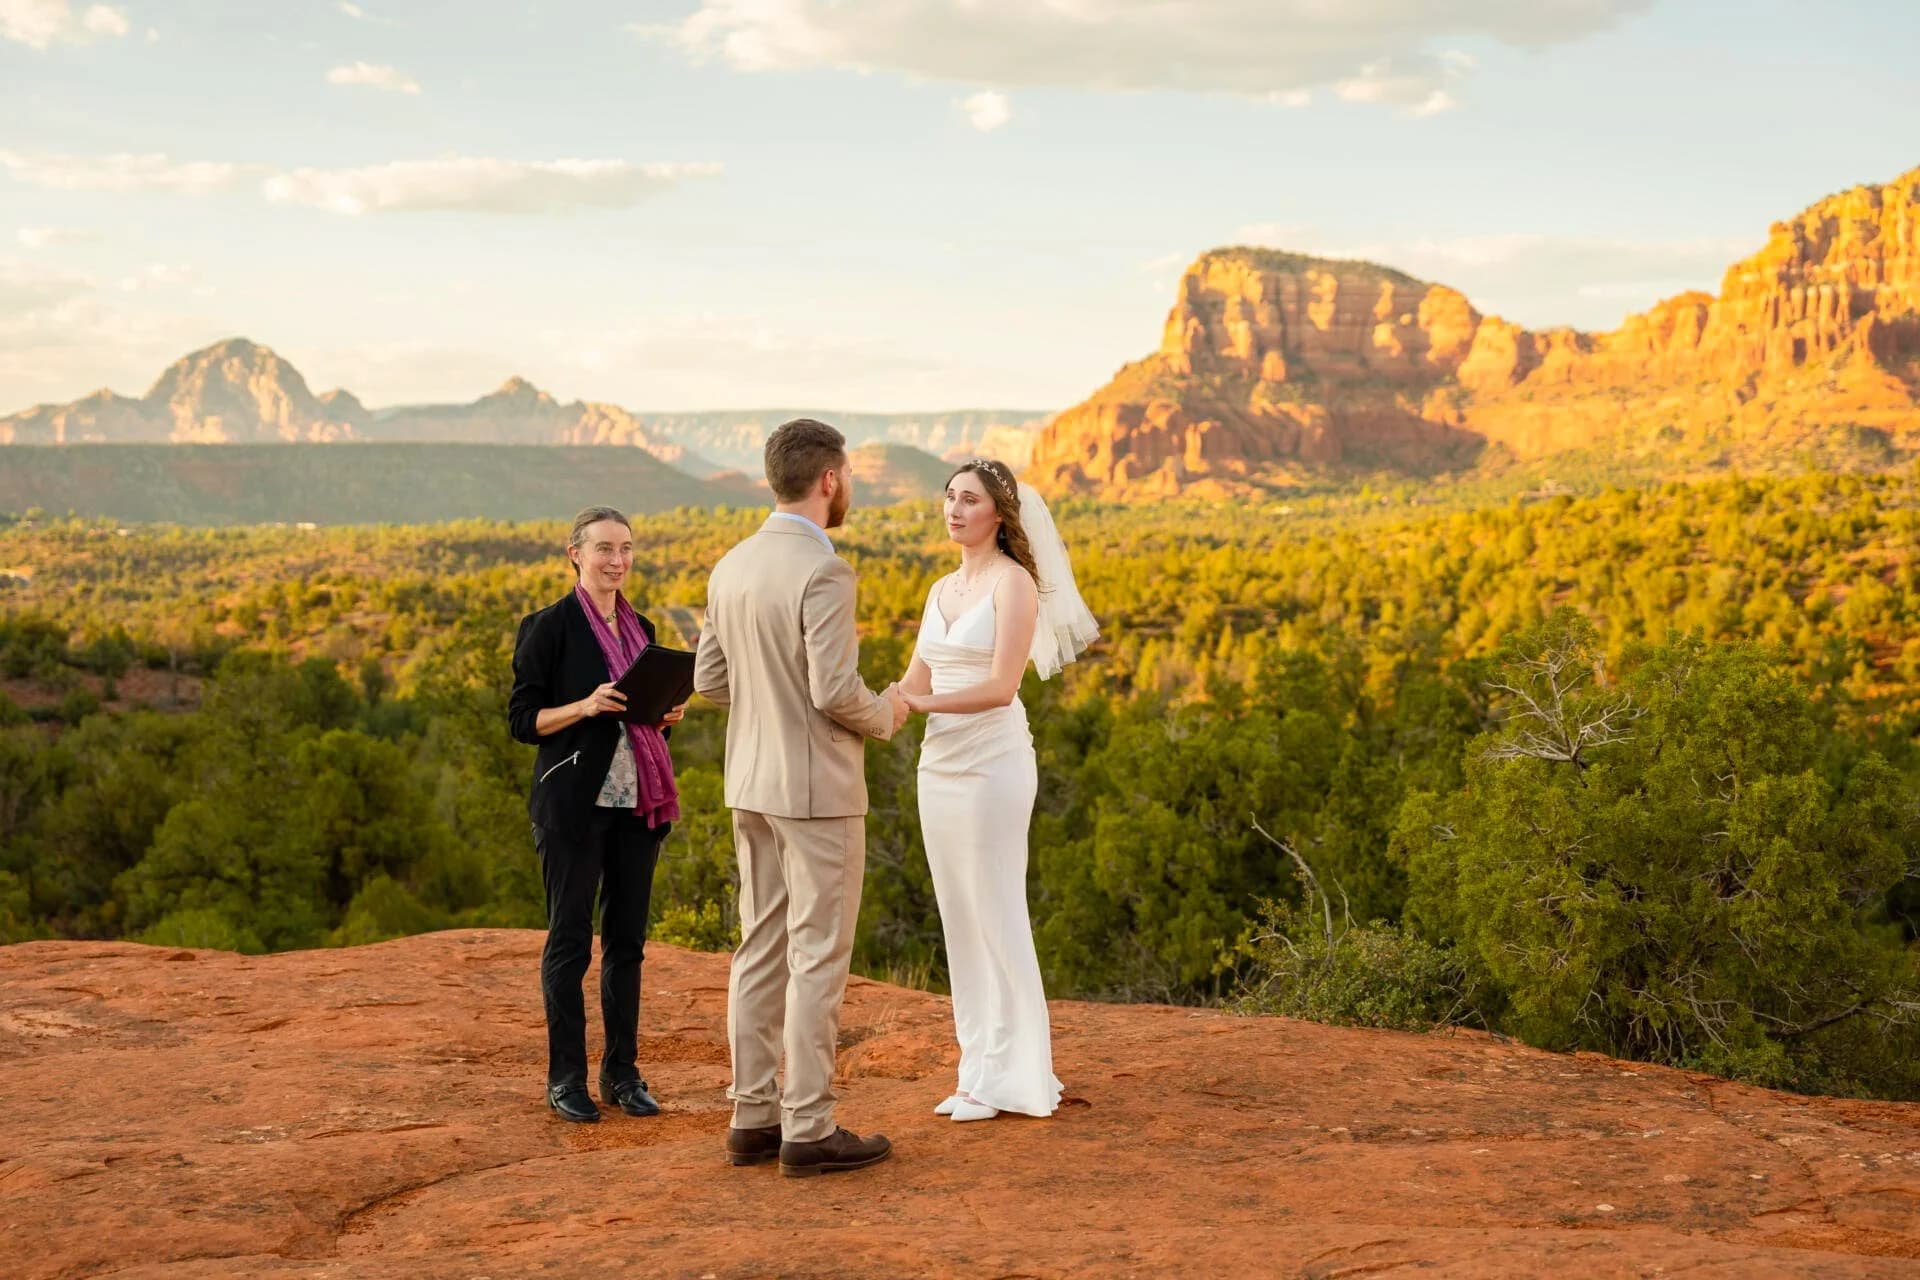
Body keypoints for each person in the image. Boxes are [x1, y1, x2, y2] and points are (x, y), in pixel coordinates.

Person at [694, 418, 911, 1177]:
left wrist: (768, 705)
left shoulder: (731, 565)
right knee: (817, 953)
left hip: (750, 784)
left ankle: (752, 1116)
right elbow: (834, 691)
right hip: (816, 790)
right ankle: (810, 1126)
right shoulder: (825, 571)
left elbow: (710, 682)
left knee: (759, 946)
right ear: (829, 480)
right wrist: (889, 711)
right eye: (846, 477)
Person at [896, 459, 1098, 1122]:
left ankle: (1013, 1076)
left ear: (999, 514)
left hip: (992, 764)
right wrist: (858, 708)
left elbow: (1001, 687)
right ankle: (975, 1069)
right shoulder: (939, 589)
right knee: (958, 915)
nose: (954, 510)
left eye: (970, 500)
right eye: (950, 497)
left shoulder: (1015, 585)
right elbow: (912, 681)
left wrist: (921, 707)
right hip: (938, 767)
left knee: (996, 910)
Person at [507, 505, 687, 1124]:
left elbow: (641, 716)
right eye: (605, 548)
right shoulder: (547, 627)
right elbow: (522, 721)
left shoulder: (643, 628)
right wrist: (583, 706)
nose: (617, 560)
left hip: (637, 803)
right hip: (573, 807)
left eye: (626, 548)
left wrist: (665, 712)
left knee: (628, 942)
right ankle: (565, 1079)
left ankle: (622, 1074)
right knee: (570, 942)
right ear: (575, 554)